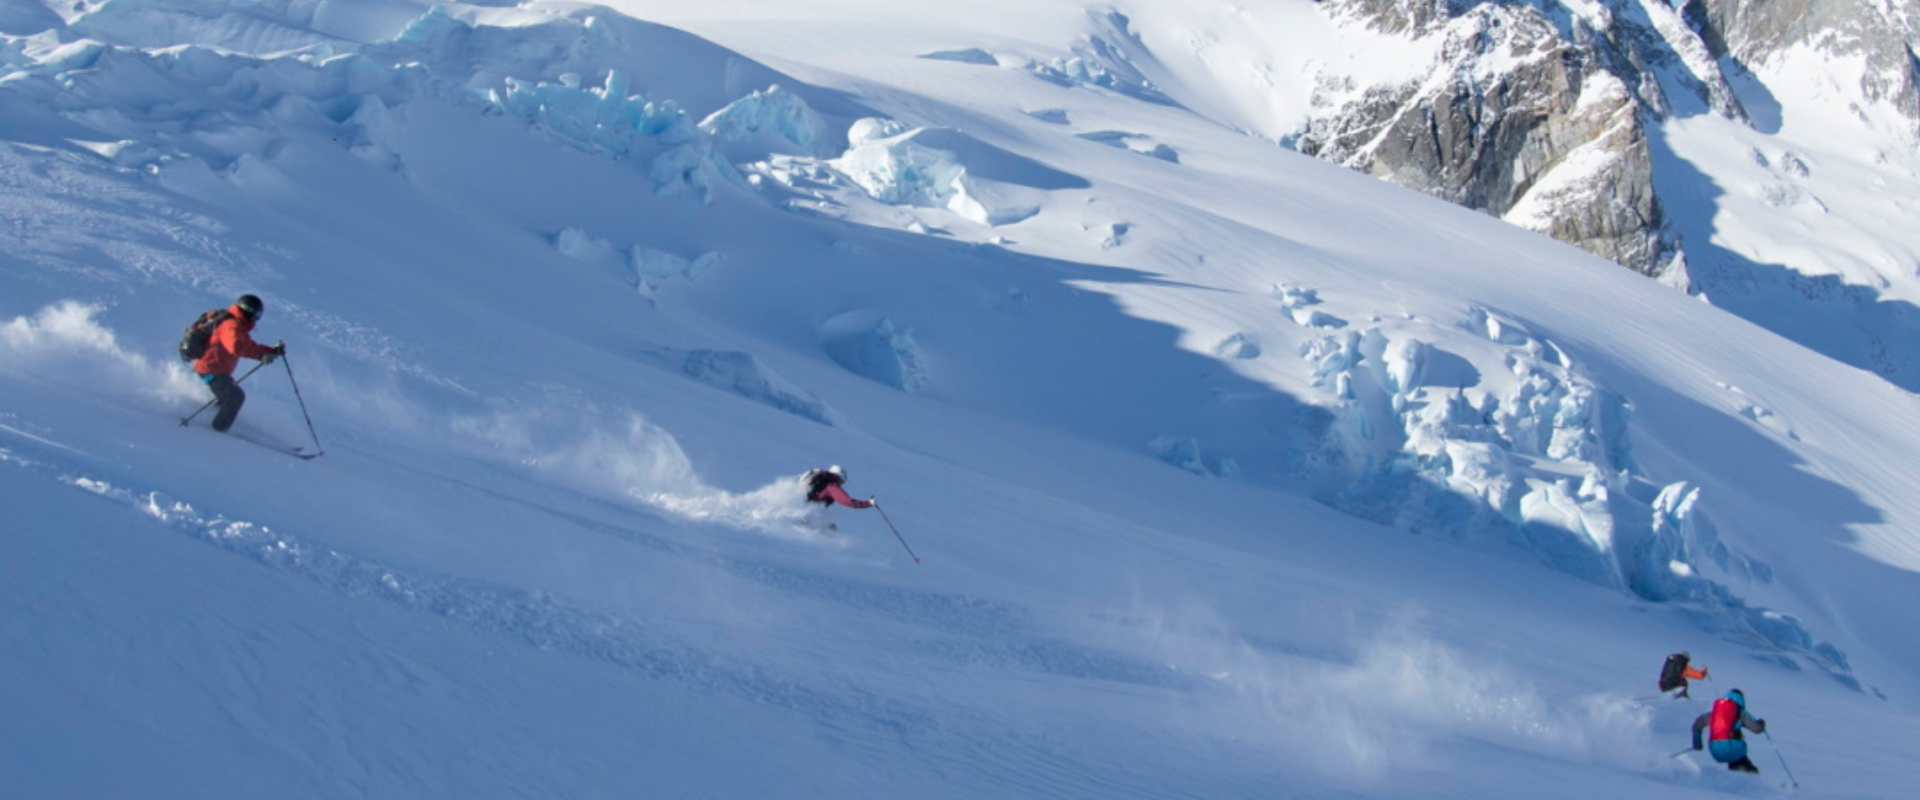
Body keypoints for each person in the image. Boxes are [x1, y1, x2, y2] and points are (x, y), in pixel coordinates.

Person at [192, 293, 284, 433]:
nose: (256, 319)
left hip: (216, 369)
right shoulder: (231, 325)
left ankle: (211, 419)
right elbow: (236, 347)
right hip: (210, 369)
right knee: (235, 397)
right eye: (256, 315)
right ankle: (217, 431)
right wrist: (261, 355)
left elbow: (248, 344)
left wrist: (271, 351)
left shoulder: (238, 324)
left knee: (226, 398)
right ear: (247, 312)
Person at [1692, 688, 1767, 773]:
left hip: (1714, 750)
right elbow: (1756, 729)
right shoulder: (1739, 712)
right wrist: (1761, 724)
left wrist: (1697, 744)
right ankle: (1750, 780)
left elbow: (1696, 726)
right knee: (1744, 766)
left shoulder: (1715, 714)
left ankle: (1733, 779)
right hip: (1733, 748)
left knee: (1735, 762)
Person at [800, 465, 874, 530]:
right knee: (831, 528)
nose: (840, 484)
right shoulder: (832, 487)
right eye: (842, 481)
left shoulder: (820, 479)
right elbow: (848, 502)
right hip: (807, 513)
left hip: (802, 506)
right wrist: (869, 503)